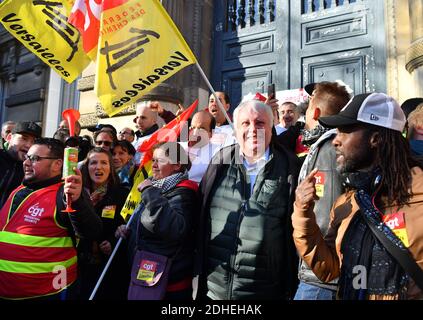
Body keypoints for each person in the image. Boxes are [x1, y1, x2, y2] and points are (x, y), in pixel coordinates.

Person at [292, 92, 423, 300]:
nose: (336, 141)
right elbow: (329, 269)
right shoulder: (347, 202)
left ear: (375, 139)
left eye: (345, 131)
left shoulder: (419, 191)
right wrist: (303, 214)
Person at [196, 100, 300, 300]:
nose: (253, 129)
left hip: (263, 291)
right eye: (245, 123)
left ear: (271, 127)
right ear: (235, 130)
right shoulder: (220, 162)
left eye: (260, 123)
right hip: (213, 291)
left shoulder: (290, 168)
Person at [0, 138, 102, 300]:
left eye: (34, 159)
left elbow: (92, 232)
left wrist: (77, 202)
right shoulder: (18, 189)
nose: (26, 162)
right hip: (7, 291)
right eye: (27, 156)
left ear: (57, 164)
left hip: (47, 292)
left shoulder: (66, 193)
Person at [116, 142, 199, 300]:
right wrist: (128, 230)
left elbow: (172, 228)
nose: (153, 165)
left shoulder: (183, 193)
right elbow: (147, 222)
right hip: (148, 276)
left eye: (159, 161)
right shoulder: (157, 187)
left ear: (176, 165)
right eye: (153, 160)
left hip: (169, 284)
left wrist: (149, 193)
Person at [293, 81, 351, 300]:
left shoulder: (327, 147)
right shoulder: (330, 143)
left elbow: (325, 215)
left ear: (315, 112)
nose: (305, 115)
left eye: (307, 109)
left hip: (321, 281)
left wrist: (320, 267)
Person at [78, 147, 129, 299]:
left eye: (104, 163)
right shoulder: (77, 194)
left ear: (110, 168)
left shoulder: (122, 194)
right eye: (93, 163)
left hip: (109, 266)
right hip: (80, 265)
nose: (98, 167)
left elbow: (127, 226)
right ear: (86, 167)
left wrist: (113, 241)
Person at [0, 121, 41, 208]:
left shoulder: (34, 170)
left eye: (34, 142)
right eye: (24, 138)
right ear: (9, 137)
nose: (29, 145)